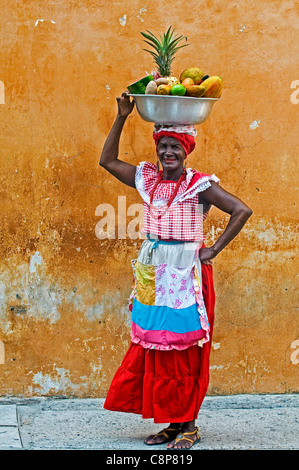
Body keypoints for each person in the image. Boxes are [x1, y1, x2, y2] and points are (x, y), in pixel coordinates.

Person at [99, 91, 252, 449]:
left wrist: (211, 248)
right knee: (156, 345)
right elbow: (107, 160)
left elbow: (241, 210)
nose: (168, 153)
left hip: (186, 274)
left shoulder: (199, 185)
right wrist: (122, 116)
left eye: (175, 147)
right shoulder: (148, 178)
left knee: (184, 349)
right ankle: (172, 424)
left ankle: (190, 426)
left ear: (187, 150)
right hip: (154, 269)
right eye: (163, 146)